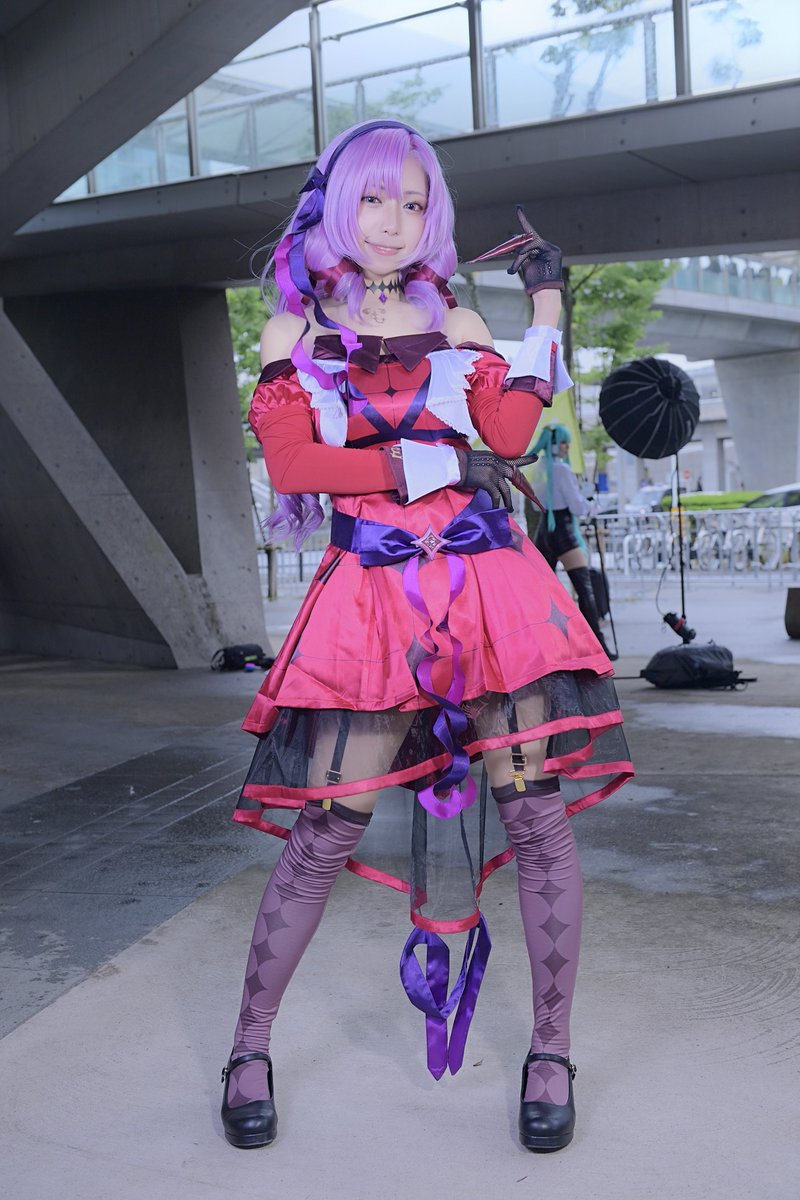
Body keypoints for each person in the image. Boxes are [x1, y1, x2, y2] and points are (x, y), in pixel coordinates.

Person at [221, 119, 633, 1154]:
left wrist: (547, 306)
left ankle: (550, 1052)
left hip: (488, 591)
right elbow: (294, 466)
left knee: (534, 818)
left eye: (413, 203)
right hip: (369, 598)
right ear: (337, 203)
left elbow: (509, 434)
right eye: (374, 198)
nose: (394, 222)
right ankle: (248, 1047)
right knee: (328, 828)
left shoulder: (456, 315)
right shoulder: (293, 331)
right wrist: (422, 466)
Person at [531, 424, 617, 660]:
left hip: (543, 532)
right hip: (564, 532)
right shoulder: (561, 469)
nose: (566, 447)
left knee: (544, 594)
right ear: (553, 444)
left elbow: (534, 506)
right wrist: (594, 506)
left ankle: (547, 646)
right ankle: (597, 646)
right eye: (563, 442)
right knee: (585, 589)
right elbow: (578, 507)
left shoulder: (538, 469)